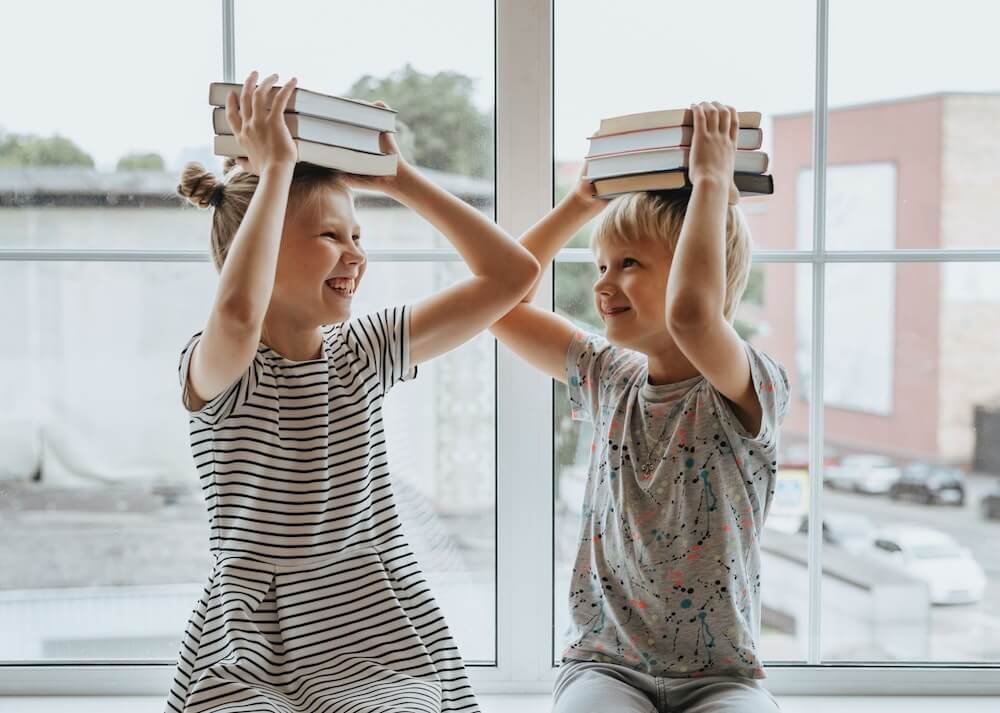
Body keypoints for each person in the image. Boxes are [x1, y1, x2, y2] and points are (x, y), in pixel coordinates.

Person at [167, 71, 539, 713]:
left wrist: (401, 180)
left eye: (358, 236)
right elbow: (235, 313)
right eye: (331, 236)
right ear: (260, 255)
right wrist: (277, 167)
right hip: (253, 643)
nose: (355, 254)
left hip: (371, 637)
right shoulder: (223, 367)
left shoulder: (363, 352)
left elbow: (513, 275)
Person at [489, 102, 789, 712]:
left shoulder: (747, 384)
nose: (602, 285)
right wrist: (578, 204)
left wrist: (712, 183)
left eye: (629, 265)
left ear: (694, 273)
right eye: (601, 264)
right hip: (606, 665)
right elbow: (497, 304)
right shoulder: (608, 374)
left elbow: (693, 317)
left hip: (722, 676)